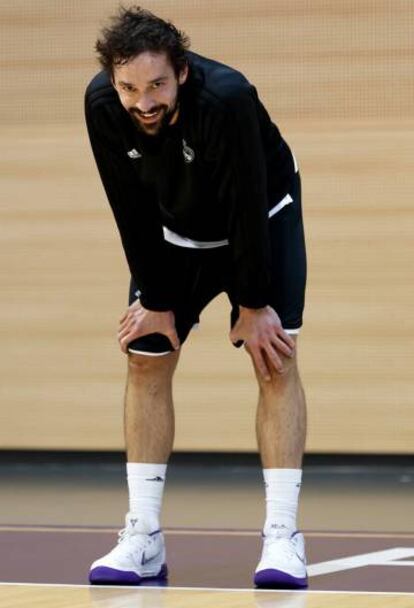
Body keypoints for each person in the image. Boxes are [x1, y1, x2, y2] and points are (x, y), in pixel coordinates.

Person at [85, 5, 308, 589]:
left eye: (156, 84)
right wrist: (156, 297)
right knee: (146, 354)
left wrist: (254, 305)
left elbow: (245, 199)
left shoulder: (226, 98)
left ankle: (283, 536)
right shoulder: (105, 105)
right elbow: (126, 206)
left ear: (181, 71)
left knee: (274, 358)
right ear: (114, 80)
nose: (144, 101)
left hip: (260, 218)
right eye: (130, 86)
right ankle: (144, 536)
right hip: (175, 232)